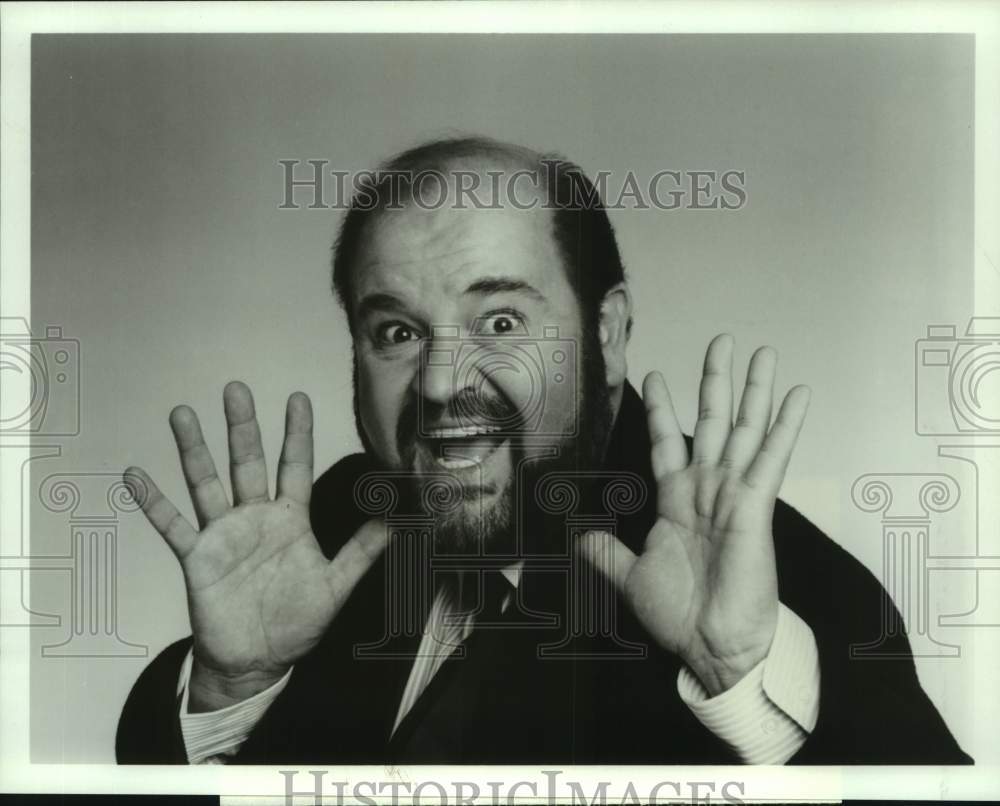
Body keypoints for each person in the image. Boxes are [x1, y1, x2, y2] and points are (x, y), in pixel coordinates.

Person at [117, 137, 970, 765]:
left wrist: (739, 671)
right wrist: (232, 692)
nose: (444, 381)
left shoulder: (771, 573)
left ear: (607, 332)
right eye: (398, 331)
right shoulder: (332, 524)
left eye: (501, 322)